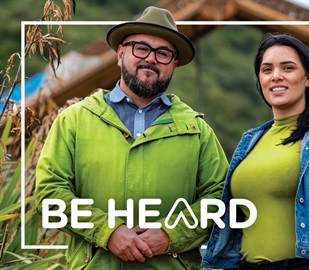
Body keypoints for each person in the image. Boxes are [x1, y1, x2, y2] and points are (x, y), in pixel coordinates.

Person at [35, 6, 228, 269]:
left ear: (174, 64)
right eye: (141, 48)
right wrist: (108, 231)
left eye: (163, 53)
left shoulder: (198, 131)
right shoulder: (74, 120)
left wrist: (170, 235)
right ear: (120, 54)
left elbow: (219, 199)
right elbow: (49, 195)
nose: (151, 58)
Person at [202, 33, 309, 270]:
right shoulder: (249, 141)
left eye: (287, 68)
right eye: (267, 70)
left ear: (307, 77)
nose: (276, 76)